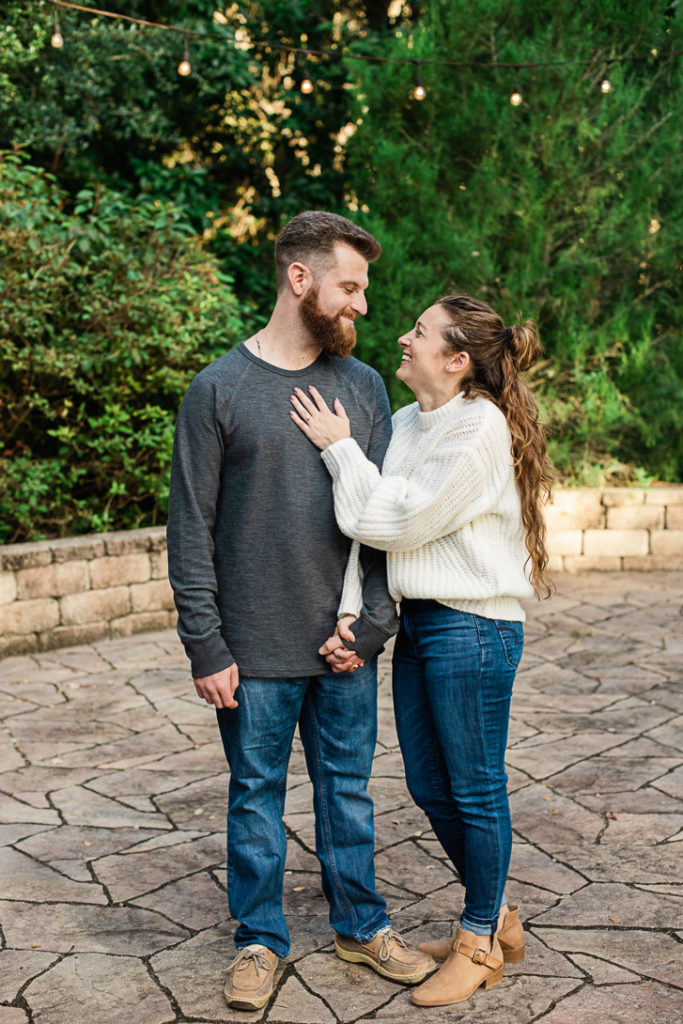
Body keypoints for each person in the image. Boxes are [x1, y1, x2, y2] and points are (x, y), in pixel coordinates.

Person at [166, 211, 434, 1012]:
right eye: (348, 287)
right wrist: (205, 645)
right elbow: (191, 529)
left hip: (344, 642)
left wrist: (377, 625)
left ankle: (361, 925)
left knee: (347, 791)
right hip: (250, 649)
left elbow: (385, 513)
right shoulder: (218, 390)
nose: (359, 305)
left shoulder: (362, 386)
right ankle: (258, 939)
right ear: (300, 279)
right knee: (254, 794)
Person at [290, 293, 552, 1007]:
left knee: (473, 788)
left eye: (419, 332)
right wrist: (352, 612)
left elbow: (394, 521)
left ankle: (477, 941)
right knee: (429, 786)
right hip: (423, 624)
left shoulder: (479, 429)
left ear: (456, 357)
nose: (402, 338)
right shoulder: (407, 422)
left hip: (474, 627)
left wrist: (339, 447)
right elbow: (367, 532)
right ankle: (496, 915)